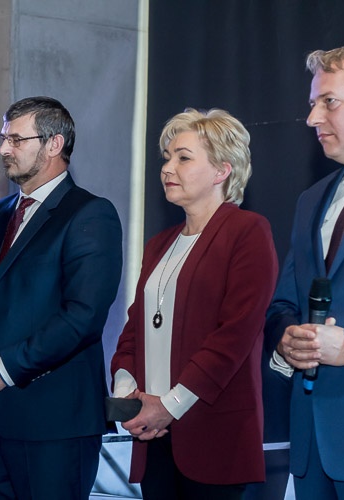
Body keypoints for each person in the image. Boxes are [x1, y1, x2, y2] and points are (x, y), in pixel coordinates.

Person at [0, 96, 123, 499]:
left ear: (54, 144)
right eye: (2, 138)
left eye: (17, 139)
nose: (4, 149)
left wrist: (2, 371)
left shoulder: (91, 214)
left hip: (54, 422)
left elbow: (82, 317)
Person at [111, 108, 278, 499]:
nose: (168, 168)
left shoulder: (247, 232)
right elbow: (135, 329)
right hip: (153, 436)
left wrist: (168, 406)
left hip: (213, 435)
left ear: (222, 170)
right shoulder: (158, 244)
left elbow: (233, 337)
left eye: (183, 158)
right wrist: (126, 398)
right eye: (167, 157)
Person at [266, 44, 344, 499]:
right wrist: (286, 337)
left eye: (329, 102)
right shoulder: (311, 200)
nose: (312, 118)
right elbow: (283, 303)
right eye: (312, 104)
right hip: (311, 447)